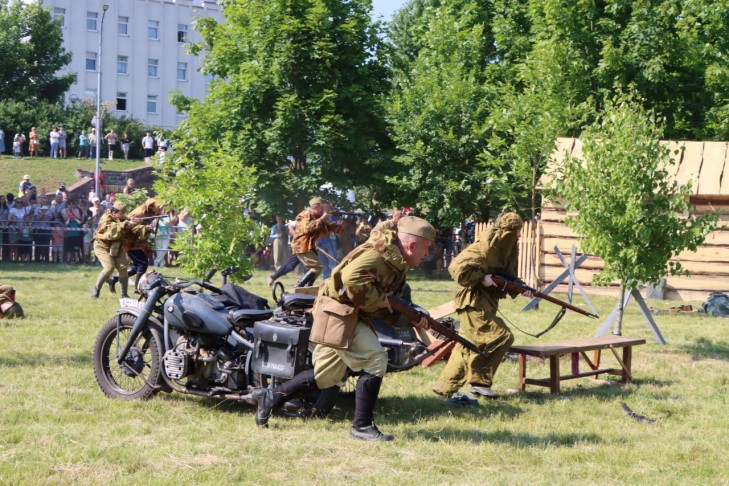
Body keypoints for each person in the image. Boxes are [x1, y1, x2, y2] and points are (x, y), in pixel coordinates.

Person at [252, 216, 436, 441]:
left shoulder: (395, 260)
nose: (427, 254)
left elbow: (388, 301)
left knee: (326, 376)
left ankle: (271, 396)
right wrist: (382, 301)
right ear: (411, 245)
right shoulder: (379, 255)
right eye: (426, 248)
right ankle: (362, 426)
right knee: (376, 360)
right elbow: (352, 281)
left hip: (347, 313)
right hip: (340, 313)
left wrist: (412, 319)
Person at [432, 212, 530, 403]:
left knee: (467, 346)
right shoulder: (484, 246)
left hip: (487, 302)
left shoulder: (506, 250)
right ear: (507, 231)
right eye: (516, 231)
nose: (518, 236)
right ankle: (480, 382)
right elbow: (456, 267)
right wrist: (481, 278)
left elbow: (506, 275)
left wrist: (521, 287)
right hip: (473, 301)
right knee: (501, 336)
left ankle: (445, 388)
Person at [91, 201, 149, 299]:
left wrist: (145, 228)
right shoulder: (106, 218)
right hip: (102, 246)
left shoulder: (122, 219)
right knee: (109, 268)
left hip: (116, 246)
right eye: (121, 213)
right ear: (114, 213)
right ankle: (97, 288)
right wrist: (128, 223)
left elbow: (133, 229)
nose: (124, 215)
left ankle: (124, 294)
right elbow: (113, 232)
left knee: (123, 268)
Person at [289, 197, 343, 287]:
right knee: (317, 267)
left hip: (309, 246)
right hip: (301, 246)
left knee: (318, 268)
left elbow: (327, 228)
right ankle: (299, 286)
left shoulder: (317, 217)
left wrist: (337, 226)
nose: (323, 210)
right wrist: (322, 218)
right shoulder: (303, 215)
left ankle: (308, 287)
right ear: (315, 207)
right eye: (321, 207)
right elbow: (308, 228)